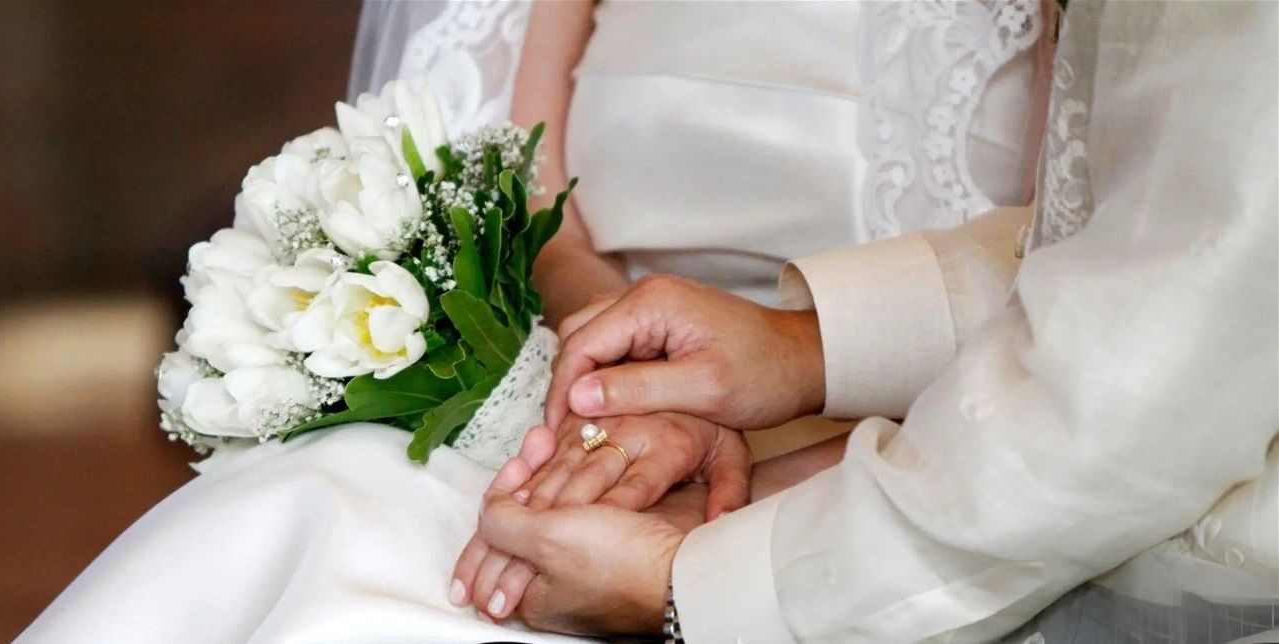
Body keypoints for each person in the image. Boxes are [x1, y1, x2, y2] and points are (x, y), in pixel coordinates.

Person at [20, 1, 1055, 641]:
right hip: (586, 401)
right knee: (310, 506)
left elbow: (1084, 301)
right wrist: (619, 375)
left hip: (917, 456)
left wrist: (736, 496)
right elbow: (526, 175)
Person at [467, 1, 1279, 641]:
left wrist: (691, 579)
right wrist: (776, 351)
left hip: (1015, 516)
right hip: (809, 459)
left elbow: (1157, 357)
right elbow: (1108, 238)